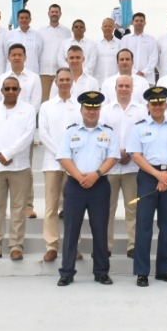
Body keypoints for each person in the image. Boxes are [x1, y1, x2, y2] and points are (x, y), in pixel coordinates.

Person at [55, 90, 120, 286]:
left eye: (95, 108)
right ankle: (67, 271)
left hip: (99, 185)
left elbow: (113, 157)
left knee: (100, 230)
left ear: (100, 110)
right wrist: (79, 176)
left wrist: (96, 175)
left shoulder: (108, 132)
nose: (92, 111)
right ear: (81, 110)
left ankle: (101, 271)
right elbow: (64, 157)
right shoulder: (71, 131)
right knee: (71, 230)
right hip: (75, 185)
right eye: (88, 108)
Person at [129, 86, 167, 286]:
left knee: (166, 226)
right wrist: (158, 175)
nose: (157, 106)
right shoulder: (139, 127)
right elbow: (136, 156)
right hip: (148, 176)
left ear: (166, 105)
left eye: (160, 103)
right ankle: (142, 272)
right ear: (148, 106)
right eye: (153, 104)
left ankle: (164, 270)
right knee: (144, 225)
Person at [0, 75, 36, 261]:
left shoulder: (28, 110)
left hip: (19, 166)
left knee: (19, 208)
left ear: (20, 91)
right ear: (1, 91)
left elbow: (28, 136)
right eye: (7, 89)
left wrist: (10, 153)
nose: (11, 92)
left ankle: (16, 246)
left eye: (14, 88)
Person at [39, 67, 80, 263]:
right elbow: (44, 134)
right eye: (61, 80)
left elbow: (81, 133)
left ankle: (74, 246)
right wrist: (61, 154)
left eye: (67, 79)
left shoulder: (79, 106)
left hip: (75, 165)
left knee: (74, 207)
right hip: (52, 163)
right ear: (55, 82)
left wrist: (69, 157)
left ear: (72, 82)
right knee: (51, 207)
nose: (64, 82)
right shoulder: (47, 106)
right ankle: (52, 246)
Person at [101, 74, 144, 257]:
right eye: (121, 86)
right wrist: (116, 152)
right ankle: (105, 246)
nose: (124, 89)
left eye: (127, 86)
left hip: (132, 167)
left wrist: (129, 152)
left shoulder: (141, 110)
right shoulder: (106, 110)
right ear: (115, 88)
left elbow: (143, 134)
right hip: (110, 166)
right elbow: (102, 135)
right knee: (106, 209)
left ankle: (133, 245)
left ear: (132, 88)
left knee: (132, 208)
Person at [0, 44, 43, 112]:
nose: (17, 57)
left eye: (20, 55)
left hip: (26, 119)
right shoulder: (0, 79)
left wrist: (25, 116)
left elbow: (36, 103)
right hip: (5, 118)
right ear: (9, 58)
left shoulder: (34, 78)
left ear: (25, 57)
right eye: (14, 55)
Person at [39, 3, 70, 100]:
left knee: (59, 99)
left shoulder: (66, 31)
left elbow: (68, 50)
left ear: (60, 14)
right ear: (48, 13)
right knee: (44, 100)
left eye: (56, 12)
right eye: (52, 12)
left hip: (60, 72)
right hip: (43, 71)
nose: (54, 14)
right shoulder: (41, 31)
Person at [120, 12, 160, 82]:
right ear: (132, 22)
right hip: (129, 78)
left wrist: (144, 72)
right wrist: (135, 72)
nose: (139, 22)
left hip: (148, 79)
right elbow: (123, 58)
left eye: (141, 21)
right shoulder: (125, 39)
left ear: (145, 23)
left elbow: (153, 58)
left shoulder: (151, 39)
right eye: (136, 21)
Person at [8, 8, 44, 80]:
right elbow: (7, 53)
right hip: (13, 74)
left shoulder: (38, 35)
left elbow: (39, 54)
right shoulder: (9, 35)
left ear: (30, 20)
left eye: (26, 18)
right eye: (21, 18)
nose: (24, 20)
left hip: (32, 73)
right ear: (17, 20)